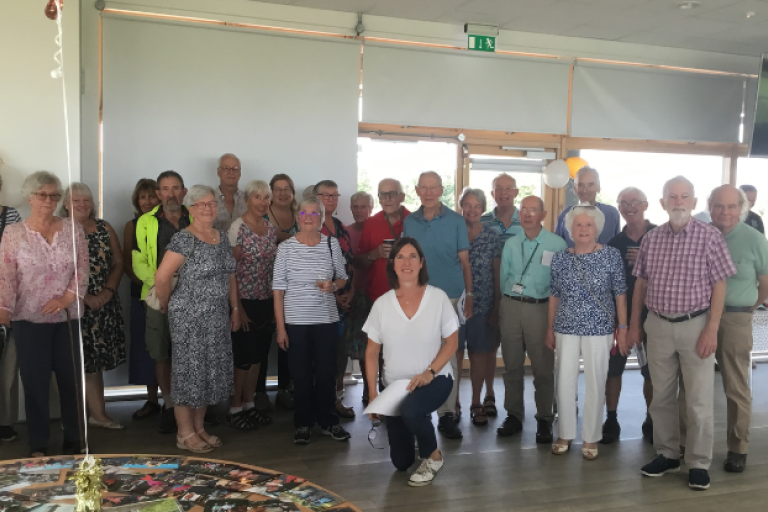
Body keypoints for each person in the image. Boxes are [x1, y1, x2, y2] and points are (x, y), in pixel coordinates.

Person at [627, 176, 735, 491]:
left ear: (693, 202)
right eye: (672, 196)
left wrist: (712, 328)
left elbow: (720, 285)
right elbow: (641, 284)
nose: (678, 202)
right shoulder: (651, 239)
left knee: (699, 400)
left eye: (684, 196)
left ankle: (699, 463)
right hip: (657, 326)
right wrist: (635, 324)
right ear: (662, 203)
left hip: (696, 326)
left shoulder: (710, 237)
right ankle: (667, 454)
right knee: (660, 397)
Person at [0, 171, 89, 457]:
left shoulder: (74, 229)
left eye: (53, 195)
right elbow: (6, 276)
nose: (48, 200)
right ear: (29, 197)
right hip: (29, 319)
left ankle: (76, 440)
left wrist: (66, 298)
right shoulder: (14, 233)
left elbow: (83, 269)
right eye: (42, 195)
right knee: (35, 383)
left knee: (71, 381)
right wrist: (4, 311)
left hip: (67, 318)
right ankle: (38, 444)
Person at [364, 237, 459, 487]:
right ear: (392, 264)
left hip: (434, 379)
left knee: (412, 410)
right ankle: (418, 424)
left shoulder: (438, 298)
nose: (406, 262)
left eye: (412, 256)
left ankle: (435, 457)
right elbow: (372, 352)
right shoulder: (381, 304)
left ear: (421, 263)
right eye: (400, 257)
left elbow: (452, 342)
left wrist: (430, 372)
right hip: (396, 387)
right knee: (401, 462)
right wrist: (374, 392)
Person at [154, 185, 239, 453]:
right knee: (187, 374)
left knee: (207, 373)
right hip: (188, 318)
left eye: (211, 203)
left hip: (216, 317)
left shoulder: (221, 237)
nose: (207, 208)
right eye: (200, 204)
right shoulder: (183, 239)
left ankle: (200, 428)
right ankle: (184, 432)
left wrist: (235, 308)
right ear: (189, 209)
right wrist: (169, 304)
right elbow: (162, 277)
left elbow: (230, 275)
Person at [547, 205, 627, 460]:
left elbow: (620, 294)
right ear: (570, 229)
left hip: (599, 328)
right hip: (565, 326)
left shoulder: (611, 255)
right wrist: (549, 328)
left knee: (596, 381)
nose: (583, 229)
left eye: (588, 225)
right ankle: (565, 433)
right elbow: (554, 295)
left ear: (597, 229)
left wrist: (623, 328)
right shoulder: (560, 257)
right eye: (578, 225)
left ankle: (591, 436)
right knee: (564, 381)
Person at [273, 195, 351, 445]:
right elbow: (278, 290)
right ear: (298, 217)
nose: (308, 218)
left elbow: (343, 278)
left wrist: (333, 286)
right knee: (301, 375)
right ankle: (304, 423)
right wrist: (281, 328)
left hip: (326, 320)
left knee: (327, 373)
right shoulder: (285, 248)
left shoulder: (331, 244)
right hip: (296, 322)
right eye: (304, 213)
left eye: (313, 213)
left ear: (321, 218)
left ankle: (329, 422)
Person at [403, 171, 472, 440]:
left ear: (441, 190)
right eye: (424, 188)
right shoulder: (410, 221)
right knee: (418, 354)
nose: (429, 192)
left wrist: (471, 295)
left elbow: (464, 262)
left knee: (449, 357)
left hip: (451, 297)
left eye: (434, 188)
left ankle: (447, 415)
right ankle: (417, 410)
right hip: (418, 297)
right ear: (417, 190)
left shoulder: (456, 221)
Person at [705, 185, 768, 472]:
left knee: (735, 386)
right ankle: (685, 444)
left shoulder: (755, 240)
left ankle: (738, 447)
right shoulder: (700, 235)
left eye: (731, 206)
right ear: (710, 207)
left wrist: (747, 309)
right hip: (699, 318)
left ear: (742, 208)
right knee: (692, 385)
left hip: (735, 320)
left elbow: (764, 284)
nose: (725, 212)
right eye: (719, 206)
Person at [498, 195, 566, 442]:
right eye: (523, 209)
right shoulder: (512, 243)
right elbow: (504, 276)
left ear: (543, 214)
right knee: (512, 365)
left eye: (533, 210)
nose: (527, 214)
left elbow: (561, 284)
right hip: (511, 306)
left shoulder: (557, 244)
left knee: (543, 368)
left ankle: (545, 419)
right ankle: (514, 415)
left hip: (541, 309)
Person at [60, 182, 126, 430]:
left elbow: (119, 263)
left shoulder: (103, 227)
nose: (81, 204)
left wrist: (107, 292)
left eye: (86, 200)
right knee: (72, 363)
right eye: (75, 200)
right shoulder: (59, 229)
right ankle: (73, 420)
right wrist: (83, 297)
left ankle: (98, 414)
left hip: (104, 305)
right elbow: (56, 271)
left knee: (95, 362)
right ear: (66, 204)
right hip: (73, 306)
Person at [133, 170, 191, 435]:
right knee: (161, 352)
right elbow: (138, 260)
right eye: (165, 189)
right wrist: (161, 283)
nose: (171, 194)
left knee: (188, 353)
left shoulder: (195, 216)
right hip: (157, 296)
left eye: (175, 188)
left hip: (192, 296)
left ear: (184, 191)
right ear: (158, 194)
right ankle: (169, 405)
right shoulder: (145, 222)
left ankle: (191, 405)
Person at [601, 187, 657, 444]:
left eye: (634, 202)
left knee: (652, 372)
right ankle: (611, 418)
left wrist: (648, 261)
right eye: (624, 203)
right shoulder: (614, 244)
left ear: (645, 205)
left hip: (655, 316)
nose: (629, 206)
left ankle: (652, 417)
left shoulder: (661, 236)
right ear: (619, 208)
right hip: (618, 319)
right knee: (613, 371)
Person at [227, 180, 277, 429]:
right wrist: (237, 308)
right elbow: (230, 272)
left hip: (265, 301)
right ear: (246, 200)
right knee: (243, 359)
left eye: (266, 197)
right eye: (257, 197)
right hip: (243, 302)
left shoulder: (270, 229)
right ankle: (235, 408)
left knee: (257, 357)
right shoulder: (237, 228)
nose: (262, 202)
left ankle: (249, 405)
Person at [255, 174, 298, 413]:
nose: (283, 193)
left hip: (292, 288)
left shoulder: (300, 215)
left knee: (287, 341)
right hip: (262, 286)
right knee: (262, 341)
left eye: (287, 189)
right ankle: (259, 391)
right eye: (278, 189)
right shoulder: (261, 216)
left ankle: (284, 389)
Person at [458, 188, 501, 427]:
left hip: (484, 304)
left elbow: (496, 272)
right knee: (454, 355)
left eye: (476, 205)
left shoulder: (492, 236)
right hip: (455, 302)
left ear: (483, 209)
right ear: (461, 206)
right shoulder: (452, 232)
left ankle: (476, 402)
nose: (472, 209)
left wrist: (497, 304)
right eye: (467, 204)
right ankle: (452, 405)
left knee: (478, 355)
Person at [315, 180, 356, 419]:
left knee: (341, 354)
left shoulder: (341, 226)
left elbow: (350, 261)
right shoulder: (311, 227)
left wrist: (350, 291)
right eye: (325, 195)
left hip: (345, 299)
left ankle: (337, 399)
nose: (330, 199)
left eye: (334, 195)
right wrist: (334, 295)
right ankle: (321, 403)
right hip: (321, 302)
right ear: (315, 198)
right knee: (322, 355)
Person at [123, 179, 161, 421]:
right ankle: (151, 400)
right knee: (146, 349)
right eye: (142, 198)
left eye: (151, 197)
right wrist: (148, 287)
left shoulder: (169, 222)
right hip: (142, 295)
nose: (147, 202)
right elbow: (128, 262)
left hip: (170, 294)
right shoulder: (132, 225)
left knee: (171, 350)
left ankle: (175, 402)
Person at [344, 191, 373, 404]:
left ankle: (373, 388)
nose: (359, 210)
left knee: (373, 345)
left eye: (364, 206)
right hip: (349, 295)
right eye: (356, 206)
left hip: (374, 294)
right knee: (351, 344)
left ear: (371, 208)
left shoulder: (378, 231)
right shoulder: (344, 232)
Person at [0, 173, 22, 444]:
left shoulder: (11, 216)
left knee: (8, 366)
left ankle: (5, 422)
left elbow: (18, 260)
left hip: (9, 300)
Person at [555, 167, 620, 247]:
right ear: (575, 189)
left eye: (590, 185)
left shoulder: (611, 213)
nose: (585, 190)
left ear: (598, 187)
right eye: (580, 185)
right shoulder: (566, 214)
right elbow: (557, 246)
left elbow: (618, 245)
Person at [480, 173, 523, 245]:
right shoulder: (482, 222)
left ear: (516, 192)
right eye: (498, 188)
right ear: (492, 193)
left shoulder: (527, 221)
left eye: (508, 188)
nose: (503, 192)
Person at [213, 153, 248, 232]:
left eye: (235, 168)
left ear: (240, 173)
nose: (231, 172)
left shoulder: (248, 200)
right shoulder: (208, 199)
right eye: (226, 168)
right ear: (218, 172)